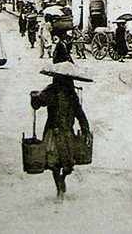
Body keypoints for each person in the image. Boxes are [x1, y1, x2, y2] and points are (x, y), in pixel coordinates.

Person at [30, 74, 90, 203]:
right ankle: (59, 191)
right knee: (54, 163)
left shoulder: (72, 95)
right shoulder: (50, 92)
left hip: (68, 132)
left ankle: (62, 179)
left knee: (68, 165)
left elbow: (80, 113)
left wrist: (86, 130)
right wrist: (34, 97)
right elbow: (37, 105)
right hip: (53, 132)